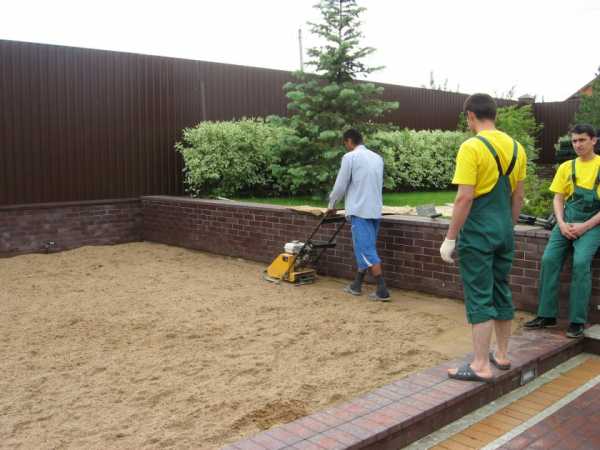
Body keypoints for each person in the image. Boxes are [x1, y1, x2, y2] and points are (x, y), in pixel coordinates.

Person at [439, 93, 527, 382]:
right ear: (494, 115)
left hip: (478, 233)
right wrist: (507, 227)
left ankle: (480, 365)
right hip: (504, 231)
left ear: (470, 116)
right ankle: (501, 355)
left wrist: (450, 238)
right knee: (501, 290)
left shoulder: (472, 147)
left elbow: (464, 197)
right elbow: (518, 197)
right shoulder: (517, 148)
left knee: (479, 295)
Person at [525, 124, 600, 338]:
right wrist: (561, 222)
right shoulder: (566, 167)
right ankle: (546, 315)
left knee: (581, 263)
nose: (578, 144)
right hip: (565, 222)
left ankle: (577, 321)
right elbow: (558, 198)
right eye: (574, 141)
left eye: (582, 140)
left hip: (593, 224)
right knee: (549, 260)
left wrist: (584, 226)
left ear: (594, 140)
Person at [326, 128, 390, 301]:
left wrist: (332, 205)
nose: (346, 146)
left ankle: (382, 290)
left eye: (345, 143)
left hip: (359, 210)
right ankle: (357, 284)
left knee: (366, 249)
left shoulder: (350, 157)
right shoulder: (377, 158)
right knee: (365, 246)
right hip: (375, 210)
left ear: (349, 141)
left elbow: (340, 185)